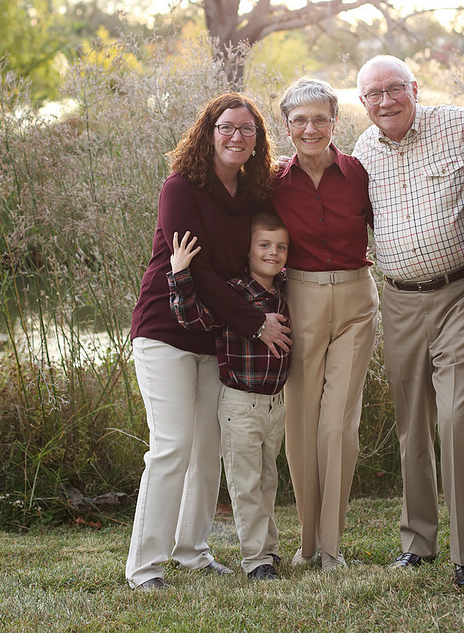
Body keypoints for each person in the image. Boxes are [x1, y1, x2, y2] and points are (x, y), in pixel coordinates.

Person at [125, 93, 292, 591]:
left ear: (257, 140)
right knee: (172, 445)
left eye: (247, 129)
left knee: (207, 447)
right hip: (165, 330)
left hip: (213, 335)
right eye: (226, 127)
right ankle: (145, 567)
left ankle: (192, 551)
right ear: (209, 133)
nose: (236, 136)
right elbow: (196, 270)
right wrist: (256, 323)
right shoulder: (181, 188)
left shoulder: (252, 195)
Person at [351, 55, 464, 587]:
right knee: (411, 422)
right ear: (362, 102)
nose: (385, 101)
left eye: (395, 88)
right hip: (399, 301)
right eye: (374, 94)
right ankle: (418, 541)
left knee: (457, 418)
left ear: (414, 87)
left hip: (461, 293)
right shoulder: (363, 151)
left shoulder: (460, 126)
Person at [271, 77, 378, 572]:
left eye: (320, 118)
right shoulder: (272, 181)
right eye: (300, 120)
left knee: (338, 423)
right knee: (300, 421)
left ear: (335, 121)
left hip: (357, 300)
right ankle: (307, 542)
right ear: (287, 126)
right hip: (301, 300)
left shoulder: (360, 172)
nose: (310, 129)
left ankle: (331, 547)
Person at [167, 213, 292, 581]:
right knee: (246, 485)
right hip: (241, 404)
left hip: (276, 403)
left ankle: (269, 548)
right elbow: (193, 319)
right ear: (248, 249)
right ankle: (255, 561)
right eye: (264, 245)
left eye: (281, 247)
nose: (272, 253)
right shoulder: (233, 293)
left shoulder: (286, 290)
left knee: (267, 480)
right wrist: (180, 274)